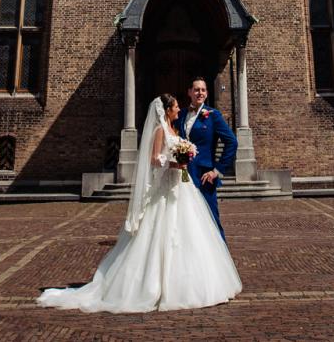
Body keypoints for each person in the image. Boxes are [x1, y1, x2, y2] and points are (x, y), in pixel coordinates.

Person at [38, 93, 241, 313]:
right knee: (161, 234)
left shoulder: (174, 128)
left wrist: (185, 158)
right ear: (166, 110)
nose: (179, 110)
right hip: (167, 188)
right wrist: (176, 164)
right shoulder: (160, 130)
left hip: (181, 187)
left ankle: (192, 281)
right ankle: (155, 286)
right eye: (175, 107)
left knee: (190, 232)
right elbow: (155, 160)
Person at [179, 77, 238, 239]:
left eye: (203, 90)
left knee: (211, 218)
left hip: (205, 177)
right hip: (183, 177)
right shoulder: (182, 115)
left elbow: (232, 142)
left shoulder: (214, 116)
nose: (200, 93)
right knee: (186, 220)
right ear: (189, 92)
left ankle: (221, 259)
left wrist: (216, 170)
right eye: (196, 89)